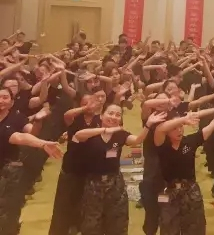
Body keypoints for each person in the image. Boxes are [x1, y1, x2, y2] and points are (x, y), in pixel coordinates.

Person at [73, 104, 165, 235]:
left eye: (117, 115)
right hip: (93, 184)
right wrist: (105, 130)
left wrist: (148, 125)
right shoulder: (91, 133)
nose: (114, 117)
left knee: (117, 223)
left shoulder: (120, 135)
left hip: (115, 183)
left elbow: (137, 140)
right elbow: (78, 135)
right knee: (91, 224)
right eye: (110, 113)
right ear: (101, 115)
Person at [153, 104, 214, 235]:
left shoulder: (190, 141)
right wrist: (183, 119)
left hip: (190, 192)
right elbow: (160, 129)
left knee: (196, 228)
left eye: (181, 127)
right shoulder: (162, 144)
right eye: (174, 128)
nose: (179, 130)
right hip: (169, 192)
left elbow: (212, 125)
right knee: (169, 229)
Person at [0, 86, 62, 234]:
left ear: (12, 101)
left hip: (8, 172)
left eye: (5, 97)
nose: (1, 100)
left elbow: (25, 135)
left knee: (8, 210)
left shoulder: (17, 117)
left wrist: (41, 139)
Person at [49, 92, 101, 235]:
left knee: (86, 203)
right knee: (65, 202)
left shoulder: (100, 120)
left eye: (92, 103)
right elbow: (66, 115)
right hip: (72, 167)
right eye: (85, 103)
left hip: (91, 168)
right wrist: (85, 108)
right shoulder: (74, 119)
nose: (89, 106)